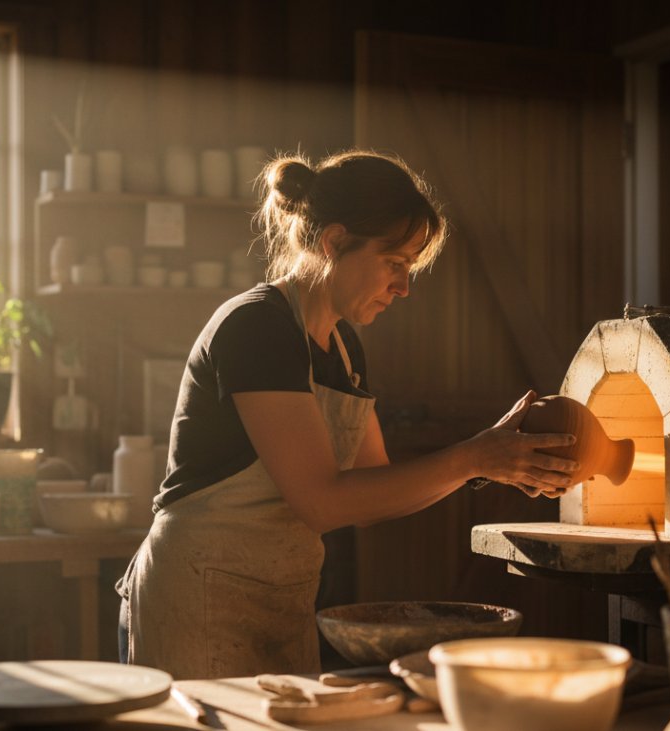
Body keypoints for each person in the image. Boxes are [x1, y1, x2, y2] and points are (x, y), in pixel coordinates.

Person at [116, 149, 578, 680]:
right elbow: (321, 501)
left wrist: (483, 462)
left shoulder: (343, 348)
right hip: (198, 592)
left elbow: (370, 494)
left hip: (279, 598)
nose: (403, 287)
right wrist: (472, 456)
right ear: (333, 242)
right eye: (395, 263)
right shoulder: (258, 329)